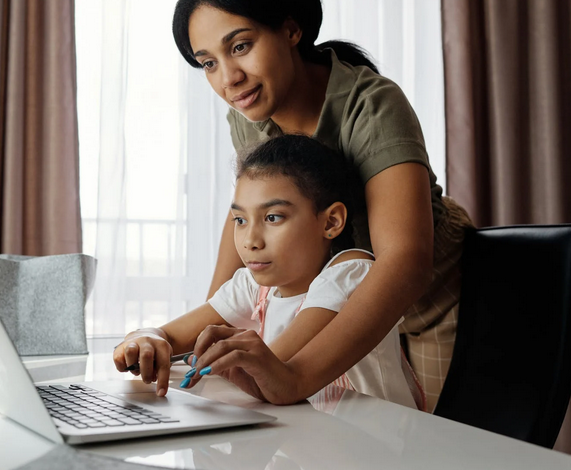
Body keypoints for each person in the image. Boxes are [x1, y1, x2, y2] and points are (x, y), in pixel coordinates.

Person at [166, 0, 474, 409]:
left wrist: (296, 376)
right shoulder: (249, 113)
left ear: (292, 30)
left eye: (240, 46)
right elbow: (246, 218)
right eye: (207, 62)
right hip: (335, 297)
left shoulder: (371, 104)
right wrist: (210, 336)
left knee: (437, 444)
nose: (228, 79)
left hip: (427, 297)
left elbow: (405, 261)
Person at [114, 135, 418, 409]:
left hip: (374, 446)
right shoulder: (254, 287)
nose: (250, 241)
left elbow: (273, 371)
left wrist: (210, 355)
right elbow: (169, 334)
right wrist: (145, 339)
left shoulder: (352, 273)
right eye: (240, 220)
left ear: (331, 222)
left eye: (273, 217)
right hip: (309, 442)